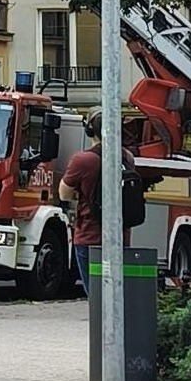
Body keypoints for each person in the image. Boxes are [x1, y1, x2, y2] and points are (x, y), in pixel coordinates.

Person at [58, 107, 137, 299]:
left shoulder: (83, 160)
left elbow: (64, 194)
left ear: (89, 130)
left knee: (96, 297)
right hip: (120, 238)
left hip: (89, 237)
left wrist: (82, 194)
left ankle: (101, 319)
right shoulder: (127, 157)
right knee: (116, 296)